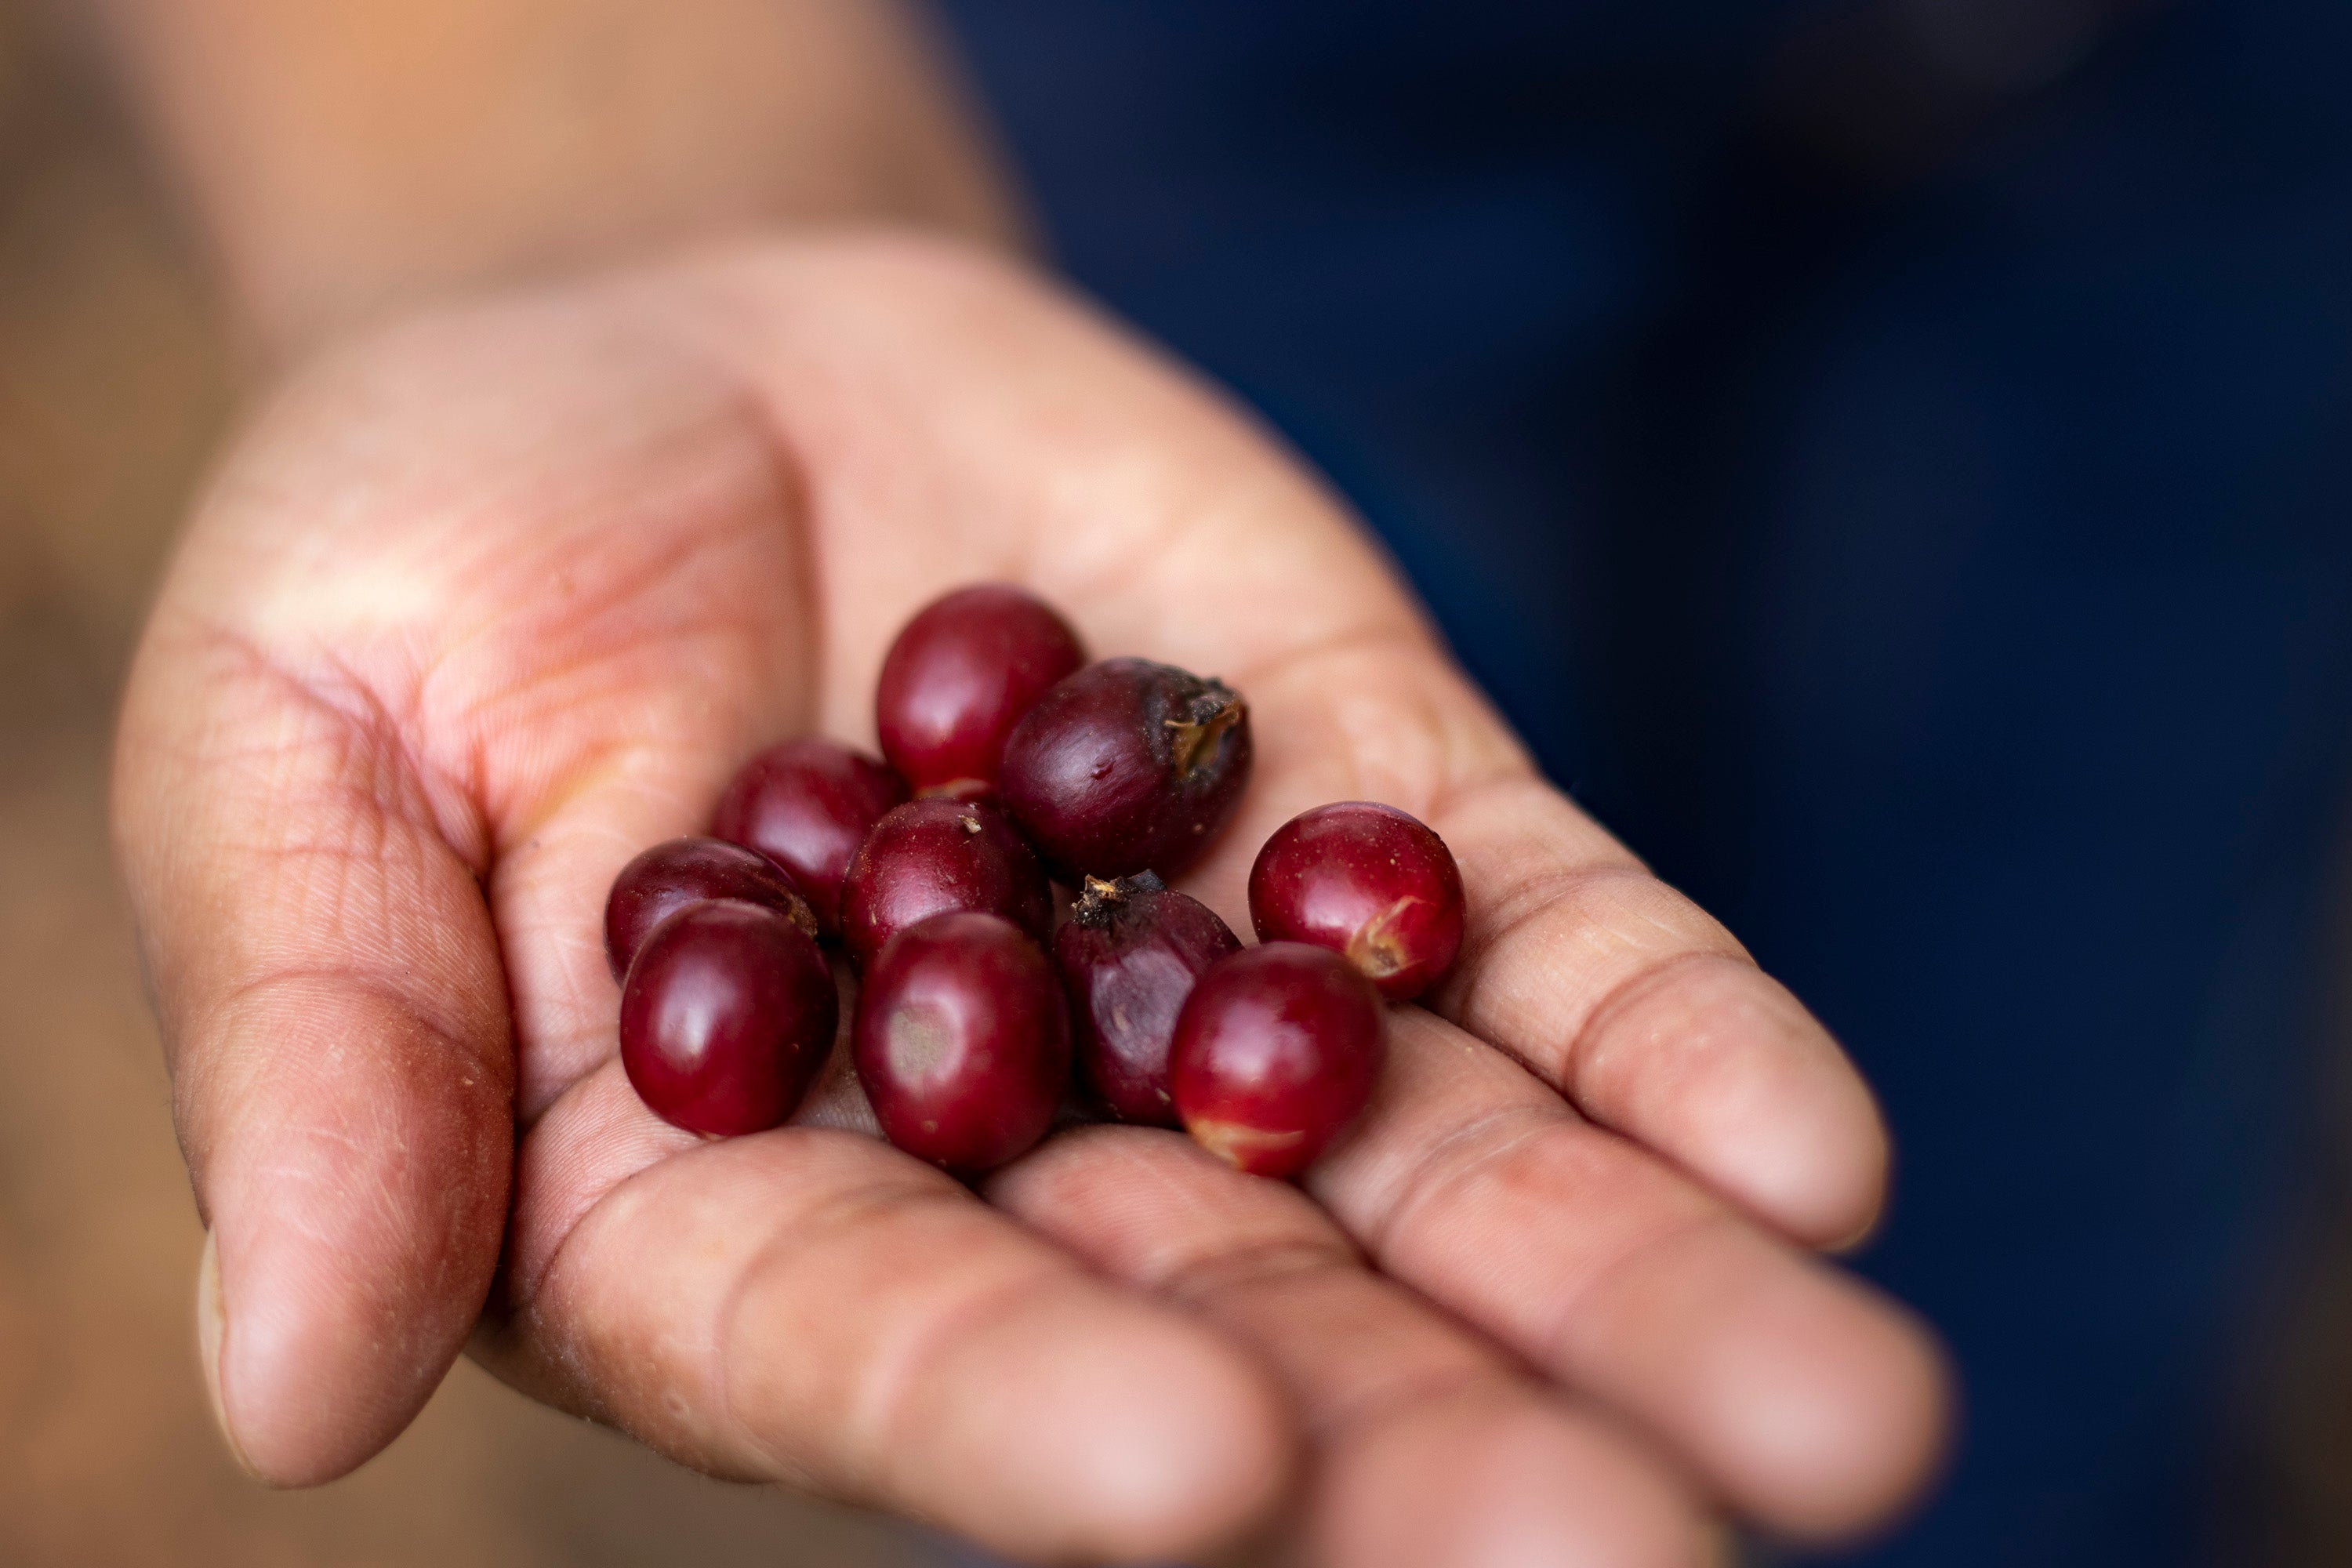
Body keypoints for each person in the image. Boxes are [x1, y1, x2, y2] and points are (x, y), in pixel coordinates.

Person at [94, 2, 1950, 1563]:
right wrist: (619, 204)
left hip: (2176, 161)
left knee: (1975, 1148)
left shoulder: (1052, 877)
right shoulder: (969, 876)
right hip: (1240, 115)